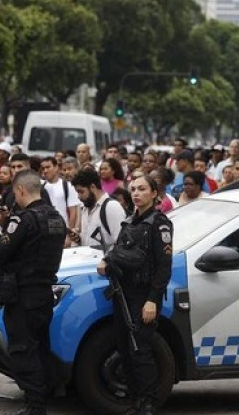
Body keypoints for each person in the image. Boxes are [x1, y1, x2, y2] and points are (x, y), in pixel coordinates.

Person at [0, 170, 67, 415]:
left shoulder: (23, 220)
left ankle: (35, 406)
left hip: (22, 295)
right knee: (39, 348)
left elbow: (0, 254)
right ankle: (39, 400)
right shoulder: (56, 218)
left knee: (23, 351)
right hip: (44, 293)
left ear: (20, 190)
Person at [97, 175, 173, 415]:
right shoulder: (129, 222)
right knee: (124, 347)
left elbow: (163, 268)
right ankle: (135, 400)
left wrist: (152, 299)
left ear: (154, 192)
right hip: (123, 293)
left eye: (142, 189)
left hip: (144, 295)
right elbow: (120, 254)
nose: (136, 193)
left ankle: (148, 404)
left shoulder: (159, 224)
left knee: (140, 349)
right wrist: (107, 263)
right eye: (133, 189)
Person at [70, 169, 126, 247]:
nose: (79, 197)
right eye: (77, 192)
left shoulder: (112, 207)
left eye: (81, 192)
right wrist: (79, 238)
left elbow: (121, 243)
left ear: (92, 187)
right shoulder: (85, 208)